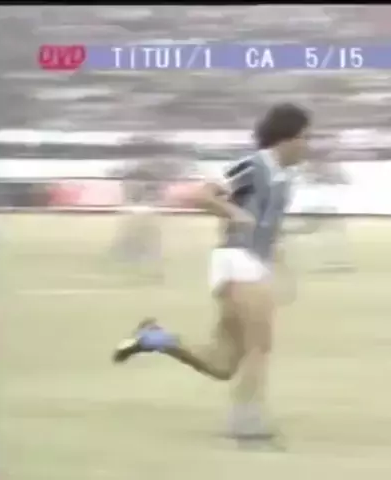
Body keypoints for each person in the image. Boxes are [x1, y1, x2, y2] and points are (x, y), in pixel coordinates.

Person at [111, 103, 311, 444]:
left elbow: (268, 226)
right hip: (237, 260)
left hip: (254, 263)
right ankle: (246, 422)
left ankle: (154, 338)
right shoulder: (254, 165)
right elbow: (198, 195)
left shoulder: (285, 178)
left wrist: (278, 259)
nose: (308, 145)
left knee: (223, 363)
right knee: (260, 344)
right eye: (306, 137)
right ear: (286, 138)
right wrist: (232, 212)